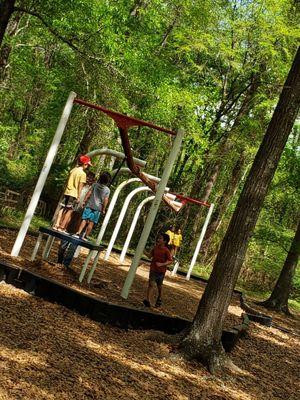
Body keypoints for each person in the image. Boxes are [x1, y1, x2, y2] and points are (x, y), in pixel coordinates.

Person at [53, 155, 92, 231]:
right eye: (87, 165)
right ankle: (62, 226)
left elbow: (67, 181)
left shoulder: (73, 170)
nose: (87, 166)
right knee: (70, 210)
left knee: (62, 208)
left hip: (67, 191)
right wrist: (78, 196)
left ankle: (56, 224)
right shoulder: (83, 174)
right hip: (73, 193)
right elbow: (80, 186)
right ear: (84, 164)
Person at [75, 171, 111, 240]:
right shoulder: (107, 190)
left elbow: (89, 193)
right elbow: (106, 200)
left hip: (89, 205)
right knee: (92, 222)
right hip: (98, 208)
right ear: (107, 181)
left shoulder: (95, 185)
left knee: (84, 219)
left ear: (100, 178)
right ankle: (86, 236)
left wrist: (84, 201)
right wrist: (103, 209)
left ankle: (78, 232)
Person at [143, 233, 173, 308]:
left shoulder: (166, 250)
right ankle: (148, 300)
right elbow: (149, 256)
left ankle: (159, 297)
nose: (158, 240)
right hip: (153, 269)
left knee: (159, 286)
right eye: (158, 238)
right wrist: (142, 250)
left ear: (165, 241)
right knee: (151, 284)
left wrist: (162, 264)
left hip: (161, 272)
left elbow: (170, 261)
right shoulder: (155, 248)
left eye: (160, 238)